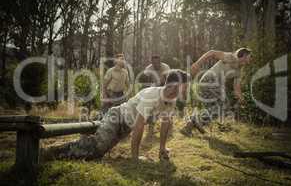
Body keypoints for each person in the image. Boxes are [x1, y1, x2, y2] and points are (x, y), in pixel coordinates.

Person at [45, 69, 190, 161]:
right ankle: (50, 152)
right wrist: (135, 158)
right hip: (117, 117)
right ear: (173, 85)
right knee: (97, 149)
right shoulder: (151, 95)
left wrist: (162, 149)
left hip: (125, 127)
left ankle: (87, 133)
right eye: (184, 86)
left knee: (98, 151)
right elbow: (139, 126)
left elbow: (165, 124)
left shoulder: (171, 100)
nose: (185, 90)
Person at [180, 48, 251, 136]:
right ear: (243, 55)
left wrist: (242, 99)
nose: (250, 60)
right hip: (209, 80)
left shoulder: (239, 71)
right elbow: (211, 53)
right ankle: (196, 122)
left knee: (217, 109)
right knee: (224, 105)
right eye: (249, 57)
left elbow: (236, 88)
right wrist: (198, 63)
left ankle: (191, 125)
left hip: (213, 86)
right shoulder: (230, 57)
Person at [143, 54, 171, 136]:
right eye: (154, 63)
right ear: (151, 63)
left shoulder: (165, 67)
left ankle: (169, 129)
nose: (156, 65)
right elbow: (146, 80)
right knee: (153, 108)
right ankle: (151, 129)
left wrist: (167, 94)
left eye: (157, 63)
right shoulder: (149, 68)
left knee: (167, 108)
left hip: (165, 86)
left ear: (160, 62)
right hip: (154, 87)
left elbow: (169, 81)